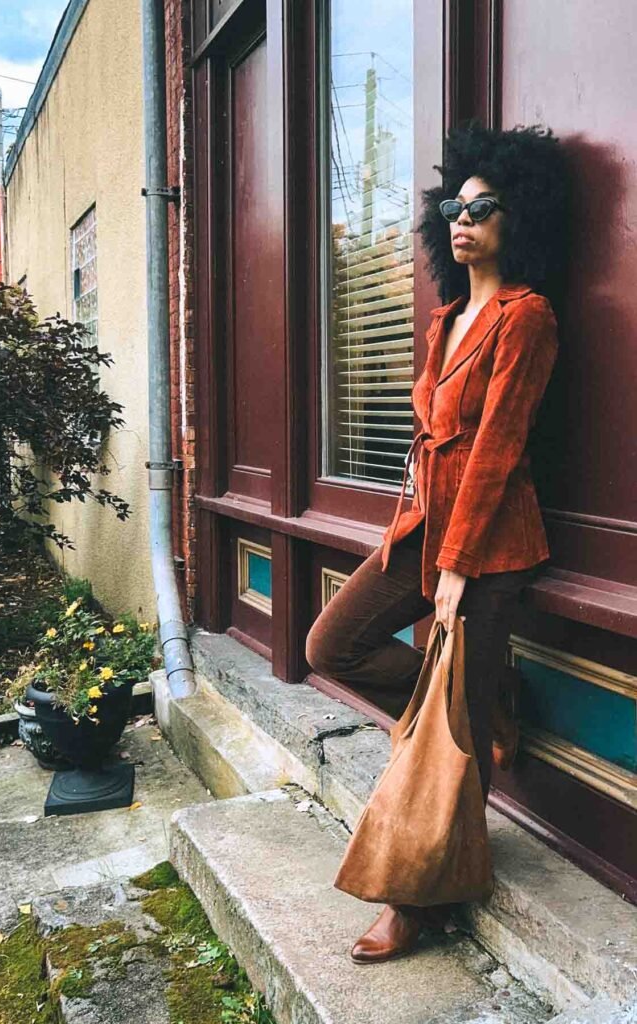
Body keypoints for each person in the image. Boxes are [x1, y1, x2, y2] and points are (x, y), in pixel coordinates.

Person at [305, 120, 570, 965]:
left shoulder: (525, 318)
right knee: (330, 643)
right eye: (453, 208)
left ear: (516, 218)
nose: (464, 220)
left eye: (482, 207)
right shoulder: (445, 317)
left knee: (448, 736)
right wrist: (411, 537)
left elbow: (496, 450)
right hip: (422, 528)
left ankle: (420, 897)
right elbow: (432, 446)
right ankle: (495, 697)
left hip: (489, 548)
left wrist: (455, 567)